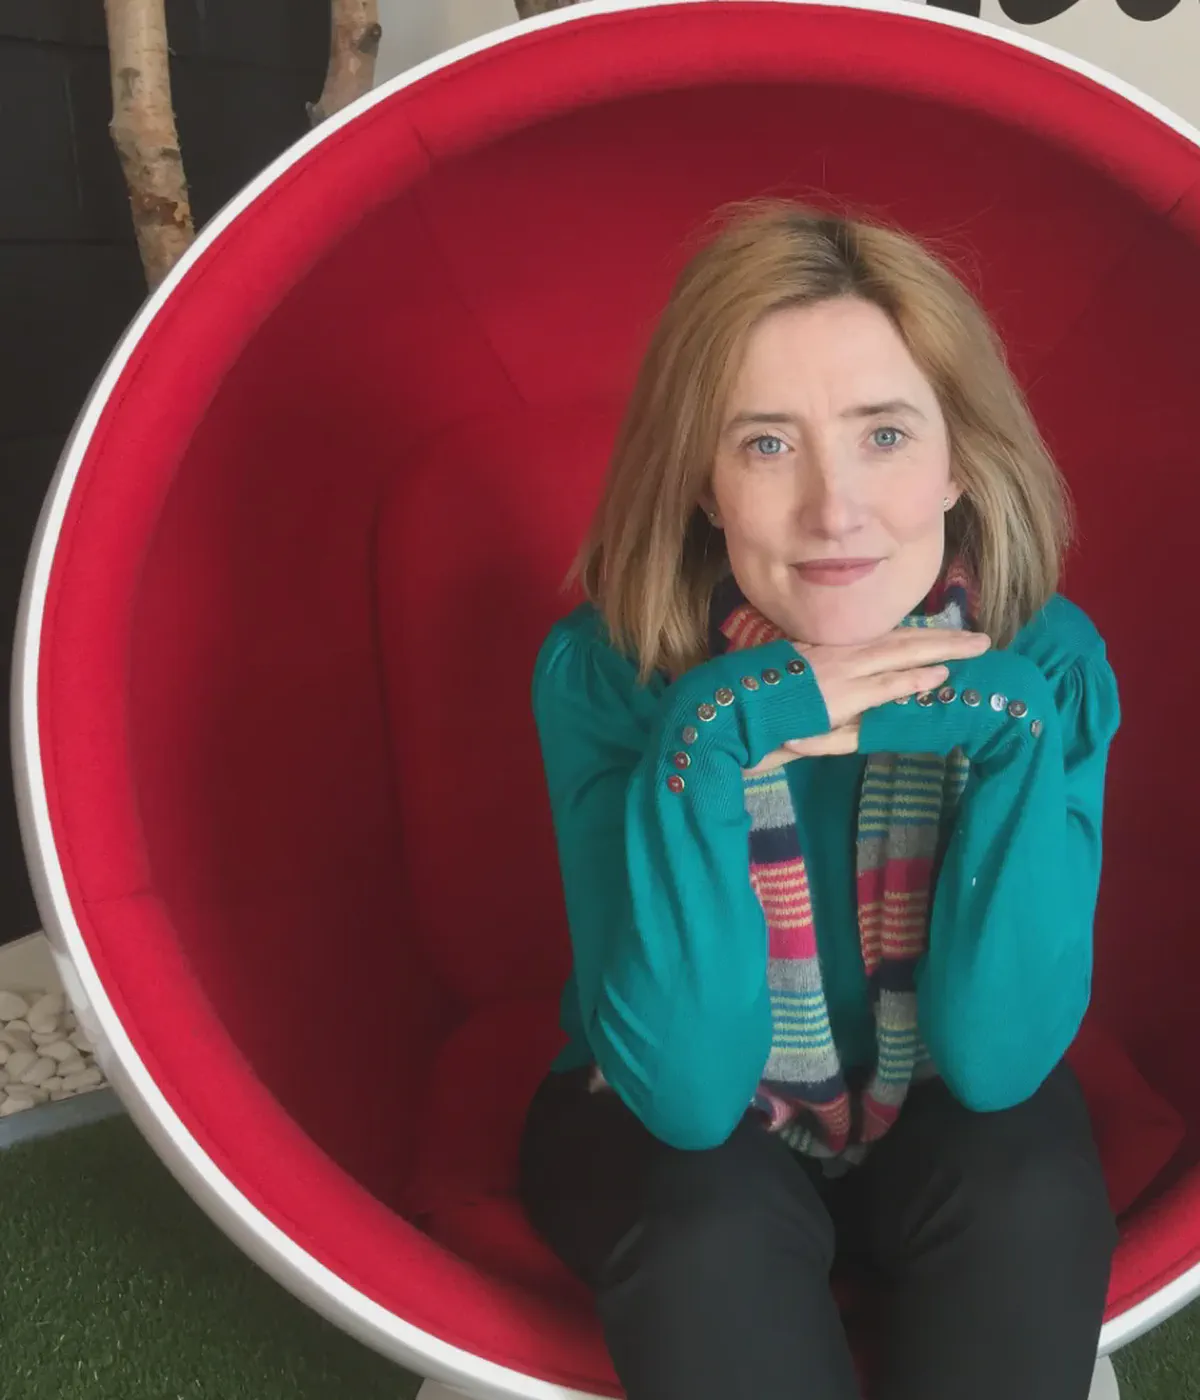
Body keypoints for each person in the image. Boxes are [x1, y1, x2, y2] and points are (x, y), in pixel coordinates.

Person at [519, 201, 1120, 1400]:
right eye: (766, 444)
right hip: (658, 1123)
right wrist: (714, 730)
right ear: (702, 484)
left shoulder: (1043, 667)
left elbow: (1000, 1062)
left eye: (885, 434)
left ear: (959, 458)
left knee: (1030, 1184)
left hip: (941, 1100)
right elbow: (684, 1095)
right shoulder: (610, 670)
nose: (834, 508)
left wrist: (1001, 728)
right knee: (707, 1229)